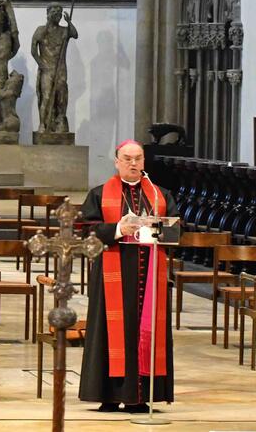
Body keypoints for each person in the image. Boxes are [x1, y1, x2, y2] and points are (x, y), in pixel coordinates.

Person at [78, 139, 177, 413]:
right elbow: (87, 229)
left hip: (149, 276)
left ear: (144, 161)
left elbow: (176, 229)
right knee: (109, 333)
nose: (133, 163)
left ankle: (140, 397)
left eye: (138, 158)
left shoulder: (159, 195)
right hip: (113, 273)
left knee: (145, 333)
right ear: (116, 161)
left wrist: (159, 229)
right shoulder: (99, 194)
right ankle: (108, 396)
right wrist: (119, 229)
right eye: (127, 158)